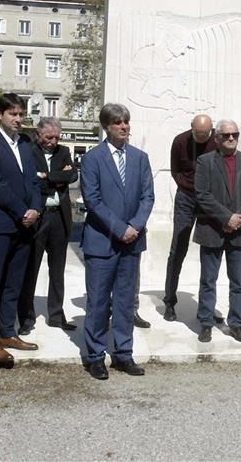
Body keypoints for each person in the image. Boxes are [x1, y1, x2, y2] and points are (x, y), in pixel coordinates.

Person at [80, 103, 154, 380]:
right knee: (98, 302)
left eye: (126, 122)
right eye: (118, 123)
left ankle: (123, 354)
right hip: (102, 243)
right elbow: (93, 200)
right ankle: (95, 356)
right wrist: (120, 228)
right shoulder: (92, 159)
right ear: (106, 127)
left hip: (131, 243)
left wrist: (135, 225)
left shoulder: (140, 158)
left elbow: (148, 196)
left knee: (124, 302)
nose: (124, 126)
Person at [0, 93, 42, 365]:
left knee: (14, 283)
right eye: (12, 114)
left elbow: (35, 182)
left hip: (25, 225)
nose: (18, 119)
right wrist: (21, 211)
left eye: (21, 114)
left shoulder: (26, 144)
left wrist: (35, 209)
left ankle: (6, 332)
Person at [194, 120, 241, 343]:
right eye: (226, 135)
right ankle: (206, 322)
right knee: (208, 280)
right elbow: (202, 194)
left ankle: (236, 323)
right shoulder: (205, 162)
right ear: (217, 138)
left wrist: (238, 219)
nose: (231, 138)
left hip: (239, 232)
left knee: (238, 282)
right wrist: (226, 218)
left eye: (234, 134)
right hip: (212, 230)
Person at [18, 117, 79, 335]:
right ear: (38, 135)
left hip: (59, 218)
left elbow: (72, 175)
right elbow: (31, 182)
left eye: (56, 137)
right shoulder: (28, 151)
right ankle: (26, 317)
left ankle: (56, 315)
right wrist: (54, 179)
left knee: (57, 270)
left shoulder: (63, 152)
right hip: (38, 217)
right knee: (30, 269)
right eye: (48, 137)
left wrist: (46, 176)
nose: (53, 141)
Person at [161, 114, 217, 322]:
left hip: (208, 200)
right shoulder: (180, 141)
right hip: (185, 198)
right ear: (191, 128)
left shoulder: (217, 141)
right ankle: (169, 302)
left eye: (206, 134)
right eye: (198, 134)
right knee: (178, 249)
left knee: (211, 251)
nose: (202, 138)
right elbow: (175, 170)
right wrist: (186, 186)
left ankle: (207, 308)